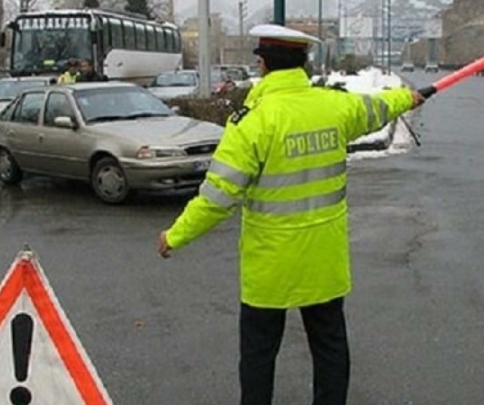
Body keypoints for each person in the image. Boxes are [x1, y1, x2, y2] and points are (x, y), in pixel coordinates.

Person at [156, 24, 425, 405]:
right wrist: (408, 97)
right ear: (302, 63)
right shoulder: (335, 107)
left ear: (263, 65)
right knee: (330, 346)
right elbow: (378, 107)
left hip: (271, 267)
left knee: (259, 354)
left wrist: (176, 235)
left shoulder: (253, 123)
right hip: (324, 261)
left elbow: (217, 198)